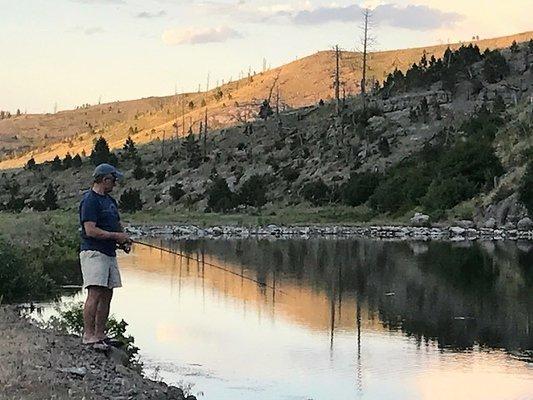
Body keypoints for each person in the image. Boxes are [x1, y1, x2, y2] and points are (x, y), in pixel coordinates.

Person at [79, 163, 131, 345]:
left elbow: (116, 225)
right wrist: (116, 236)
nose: (115, 183)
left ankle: (100, 335)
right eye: (113, 179)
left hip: (109, 253)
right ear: (105, 179)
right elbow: (90, 230)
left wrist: (122, 240)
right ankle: (88, 335)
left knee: (108, 294)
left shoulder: (110, 201)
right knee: (95, 293)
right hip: (93, 252)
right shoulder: (90, 201)